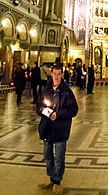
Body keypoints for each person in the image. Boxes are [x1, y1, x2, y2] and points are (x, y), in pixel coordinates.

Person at [38, 63, 78, 194]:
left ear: (62, 74)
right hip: (47, 127)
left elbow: (74, 109)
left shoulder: (66, 90)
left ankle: (57, 181)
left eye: (58, 74)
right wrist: (44, 111)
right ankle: (51, 177)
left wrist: (58, 114)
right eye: (54, 74)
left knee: (59, 157)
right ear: (51, 74)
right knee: (47, 155)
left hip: (60, 128)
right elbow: (38, 105)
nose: (56, 76)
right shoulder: (47, 89)